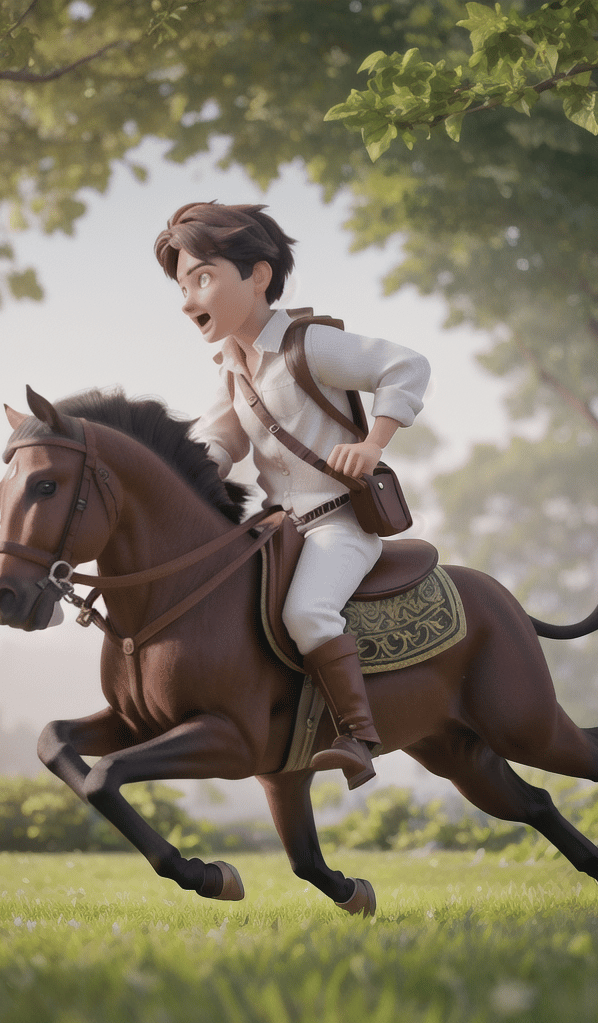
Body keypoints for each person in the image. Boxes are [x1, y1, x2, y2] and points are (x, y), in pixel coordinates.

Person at [154, 201, 430, 789]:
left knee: (306, 611)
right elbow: (220, 435)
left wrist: (373, 444)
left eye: (203, 278)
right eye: (183, 285)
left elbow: (405, 366)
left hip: (338, 524)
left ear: (257, 275)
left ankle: (358, 737)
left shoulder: (309, 347)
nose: (188, 300)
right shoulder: (234, 369)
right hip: (279, 528)